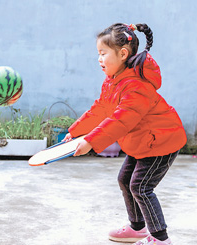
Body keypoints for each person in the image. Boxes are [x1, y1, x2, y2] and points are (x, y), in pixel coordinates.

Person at [64, 23, 187, 245]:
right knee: (125, 179)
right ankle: (137, 228)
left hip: (161, 142)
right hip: (142, 142)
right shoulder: (113, 81)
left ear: (122, 54)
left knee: (141, 186)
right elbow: (100, 109)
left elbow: (120, 120)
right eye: (98, 54)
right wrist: (75, 132)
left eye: (103, 54)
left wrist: (91, 141)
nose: (99, 59)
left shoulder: (136, 86)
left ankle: (160, 239)